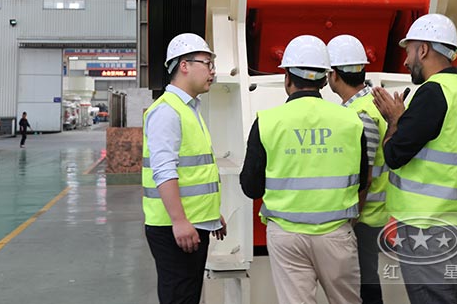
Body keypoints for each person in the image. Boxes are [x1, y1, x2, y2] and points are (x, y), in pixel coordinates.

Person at [240, 34, 369, 304]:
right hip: (336, 233)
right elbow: (362, 180)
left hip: (286, 236)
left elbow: (251, 187)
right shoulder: (350, 120)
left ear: (287, 77)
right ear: (324, 79)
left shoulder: (267, 122)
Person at [372, 13, 457, 304]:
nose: (406, 61)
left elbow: (394, 154)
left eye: (409, 50)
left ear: (424, 50)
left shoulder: (432, 93)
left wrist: (394, 120)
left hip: (424, 227)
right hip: (448, 219)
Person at [142, 32, 227, 304]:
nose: (212, 71)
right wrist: (179, 221)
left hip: (191, 222)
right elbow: (164, 170)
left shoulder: (188, 108)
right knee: (179, 297)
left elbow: (195, 172)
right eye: (207, 63)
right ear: (184, 65)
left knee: (187, 295)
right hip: (173, 226)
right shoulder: (167, 111)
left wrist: (212, 215)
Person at [327, 34, 388, 304]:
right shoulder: (366, 105)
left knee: (363, 281)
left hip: (364, 215)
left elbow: (366, 175)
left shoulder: (361, 114)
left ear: (334, 75)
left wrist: (353, 215)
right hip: (368, 211)